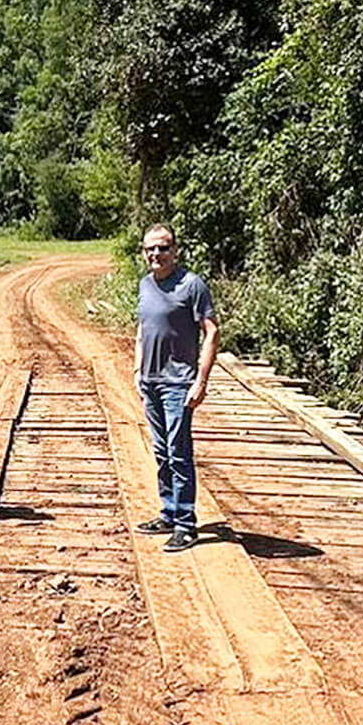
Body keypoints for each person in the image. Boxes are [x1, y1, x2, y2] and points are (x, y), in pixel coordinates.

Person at [134, 223, 219, 551]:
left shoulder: (192, 285)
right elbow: (143, 327)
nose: (156, 254)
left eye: (163, 247)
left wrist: (201, 380)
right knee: (160, 451)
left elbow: (211, 332)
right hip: (151, 381)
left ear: (175, 250)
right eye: (150, 249)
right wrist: (136, 368)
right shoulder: (145, 284)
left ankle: (186, 524)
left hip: (178, 383)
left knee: (178, 452)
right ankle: (169, 512)